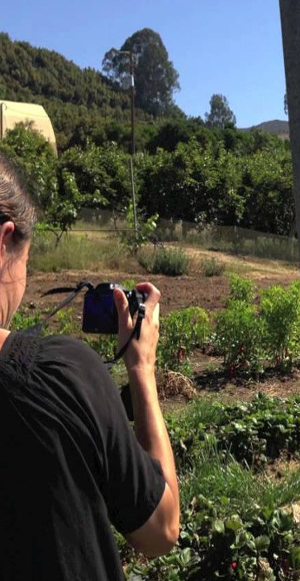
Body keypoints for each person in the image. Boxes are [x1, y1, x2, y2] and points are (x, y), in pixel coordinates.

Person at [0, 154, 179, 580]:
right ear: (3, 241)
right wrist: (142, 370)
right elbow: (161, 531)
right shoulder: (58, 376)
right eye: (26, 258)